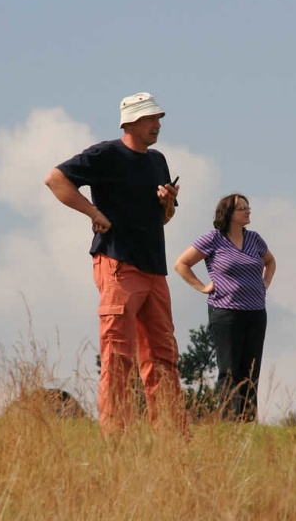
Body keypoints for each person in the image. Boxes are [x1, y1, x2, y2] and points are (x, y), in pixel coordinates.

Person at [44, 92, 186, 434]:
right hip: (118, 264)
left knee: (164, 356)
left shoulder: (158, 161)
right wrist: (93, 212)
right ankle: (115, 434)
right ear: (130, 122)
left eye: (158, 119)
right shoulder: (105, 154)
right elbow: (55, 179)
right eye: (151, 119)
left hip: (154, 268)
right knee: (118, 356)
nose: (157, 124)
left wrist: (168, 203)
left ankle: (173, 435)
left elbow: (162, 219)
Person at [174, 194, 276, 422]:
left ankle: (248, 422)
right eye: (241, 208)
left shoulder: (255, 239)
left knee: (251, 370)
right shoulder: (213, 239)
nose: (247, 211)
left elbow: (270, 261)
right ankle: (230, 421)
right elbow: (181, 264)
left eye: (248, 207)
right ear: (228, 214)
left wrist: (265, 283)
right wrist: (201, 287)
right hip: (226, 312)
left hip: (256, 312)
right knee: (229, 370)